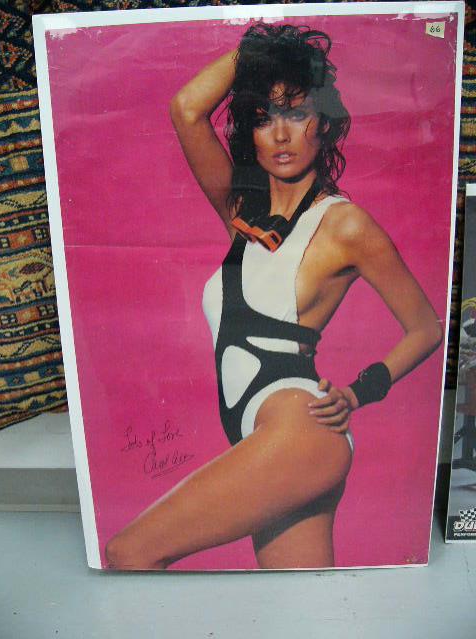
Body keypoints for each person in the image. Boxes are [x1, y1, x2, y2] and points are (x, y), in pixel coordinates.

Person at [105, 24, 442, 570]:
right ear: (251, 133)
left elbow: (426, 328)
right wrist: (259, 52)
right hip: (263, 434)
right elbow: (187, 109)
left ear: (323, 123)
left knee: (129, 554)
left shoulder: (344, 224)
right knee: (300, 610)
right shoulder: (244, 216)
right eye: (264, 117)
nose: (281, 134)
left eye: (297, 113)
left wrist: (359, 392)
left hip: (300, 429)